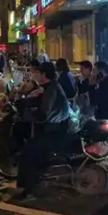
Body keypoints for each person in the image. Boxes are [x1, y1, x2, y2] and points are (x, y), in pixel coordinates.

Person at [14, 62, 70, 202]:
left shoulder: (51, 89)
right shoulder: (48, 87)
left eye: (36, 72)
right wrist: (21, 103)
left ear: (43, 74)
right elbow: (36, 101)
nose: (34, 74)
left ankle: (29, 191)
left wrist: (25, 116)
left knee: (29, 154)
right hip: (49, 127)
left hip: (54, 130)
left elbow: (43, 113)